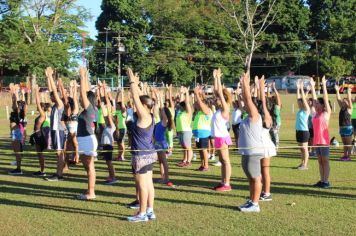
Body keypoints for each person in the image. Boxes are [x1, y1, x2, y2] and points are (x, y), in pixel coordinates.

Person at [126, 68, 157, 222]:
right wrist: (138, 85)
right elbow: (139, 98)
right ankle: (150, 210)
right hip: (148, 153)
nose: (135, 105)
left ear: (144, 106)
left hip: (142, 155)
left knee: (142, 185)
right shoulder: (150, 114)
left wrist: (132, 81)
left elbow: (137, 99)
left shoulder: (144, 115)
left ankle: (142, 213)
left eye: (138, 105)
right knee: (149, 184)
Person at [238, 73, 264, 212]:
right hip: (247, 151)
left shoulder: (255, 115)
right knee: (250, 178)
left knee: (256, 178)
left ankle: (255, 204)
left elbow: (247, 98)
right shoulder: (247, 116)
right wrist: (243, 88)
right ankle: (251, 200)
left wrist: (245, 84)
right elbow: (244, 98)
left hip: (253, 151)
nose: (246, 104)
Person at [76, 67, 98, 199]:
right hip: (86, 139)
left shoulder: (89, 107)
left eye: (82, 98)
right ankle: (90, 190)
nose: (79, 99)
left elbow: (84, 93)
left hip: (87, 140)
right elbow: (86, 92)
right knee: (89, 167)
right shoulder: (91, 108)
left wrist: (82, 77)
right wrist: (84, 77)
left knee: (89, 168)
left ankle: (91, 192)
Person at [211, 68, 232, 192]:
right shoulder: (219, 110)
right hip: (217, 138)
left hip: (222, 138)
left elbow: (219, 92)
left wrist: (218, 78)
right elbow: (216, 91)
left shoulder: (225, 109)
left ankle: (227, 184)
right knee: (222, 161)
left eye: (218, 98)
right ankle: (223, 181)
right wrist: (215, 79)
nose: (215, 99)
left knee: (225, 160)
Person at [44, 67, 66, 181]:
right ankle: (58, 173)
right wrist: (48, 77)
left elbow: (53, 89)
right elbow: (50, 89)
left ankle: (59, 175)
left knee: (59, 153)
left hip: (58, 130)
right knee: (58, 153)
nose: (50, 97)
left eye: (52, 96)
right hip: (55, 130)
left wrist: (51, 77)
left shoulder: (59, 103)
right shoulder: (54, 105)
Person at [310, 76, 332, 188]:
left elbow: (325, 98)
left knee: (325, 161)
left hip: (324, 141)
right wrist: (313, 87)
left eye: (319, 103)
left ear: (323, 105)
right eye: (316, 103)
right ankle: (322, 180)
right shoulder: (315, 114)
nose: (316, 104)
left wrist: (323, 85)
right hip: (317, 141)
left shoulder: (326, 113)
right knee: (320, 161)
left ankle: (326, 181)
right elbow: (314, 99)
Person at [258, 76, 276, 201]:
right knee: (260, 170)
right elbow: (260, 101)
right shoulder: (260, 116)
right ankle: (261, 190)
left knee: (265, 171)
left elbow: (263, 102)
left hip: (265, 146)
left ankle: (267, 193)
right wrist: (260, 87)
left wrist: (261, 87)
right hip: (259, 145)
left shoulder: (268, 118)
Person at [152, 88, 173, 186]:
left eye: (162, 112)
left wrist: (159, 97)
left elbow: (161, 109)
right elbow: (158, 110)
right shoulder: (160, 122)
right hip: (157, 143)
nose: (160, 113)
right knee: (160, 162)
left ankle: (167, 178)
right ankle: (162, 177)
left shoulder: (165, 121)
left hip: (161, 143)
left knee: (164, 161)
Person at [29, 87, 50, 176]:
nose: (37, 106)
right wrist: (43, 95)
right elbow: (43, 103)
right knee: (39, 154)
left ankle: (42, 171)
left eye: (39, 106)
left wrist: (36, 92)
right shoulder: (44, 114)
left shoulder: (43, 114)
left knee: (40, 154)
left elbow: (38, 102)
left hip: (39, 135)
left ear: (42, 108)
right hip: (37, 135)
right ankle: (42, 170)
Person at [58, 78, 79, 165]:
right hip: (71, 126)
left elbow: (71, 98)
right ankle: (74, 157)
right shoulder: (73, 109)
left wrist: (62, 86)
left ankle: (76, 157)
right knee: (72, 143)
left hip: (71, 127)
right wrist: (73, 87)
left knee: (72, 143)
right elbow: (73, 97)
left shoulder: (69, 109)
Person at [192, 86, 213, 171]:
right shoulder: (199, 112)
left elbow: (200, 103)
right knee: (200, 150)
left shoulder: (207, 110)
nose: (197, 105)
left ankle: (206, 166)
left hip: (204, 133)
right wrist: (200, 93)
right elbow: (196, 103)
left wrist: (197, 94)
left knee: (204, 150)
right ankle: (202, 164)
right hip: (198, 134)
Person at [101, 82, 118, 184]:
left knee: (109, 162)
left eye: (109, 118)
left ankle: (113, 177)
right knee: (108, 162)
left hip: (109, 146)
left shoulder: (112, 126)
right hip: (106, 146)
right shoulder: (108, 126)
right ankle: (111, 176)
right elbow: (104, 113)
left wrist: (108, 106)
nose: (107, 118)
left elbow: (107, 114)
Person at [8, 84, 24, 175]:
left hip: (16, 132)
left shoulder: (19, 112)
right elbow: (14, 102)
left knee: (17, 152)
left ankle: (18, 169)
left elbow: (16, 102)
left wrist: (15, 92)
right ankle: (18, 168)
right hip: (14, 132)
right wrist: (13, 92)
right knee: (16, 152)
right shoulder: (16, 111)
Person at [176, 87, 193, 168]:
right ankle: (184, 160)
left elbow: (186, 102)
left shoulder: (188, 112)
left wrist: (186, 93)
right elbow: (181, 102)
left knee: (187, 147)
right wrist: (181, 93)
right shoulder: (180, 111)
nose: (180, 106)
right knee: (184, 147)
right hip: (180, 131)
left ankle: (188, 161)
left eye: (182, 106)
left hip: (186, 131)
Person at [334, 84, 353, 161]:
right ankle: (345, 155)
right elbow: (338, 99)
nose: (343, 101)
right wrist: (337, 91)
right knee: (344, 144)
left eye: (345, 101)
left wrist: (348, 92)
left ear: (348, 102)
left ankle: (349, 156)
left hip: (348, 128)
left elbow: (349, 99)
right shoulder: (342, 108)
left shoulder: (349, 109)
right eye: (343, 101)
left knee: (348, 144)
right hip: (341, 128)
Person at [295, 80, 311, 170]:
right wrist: (298, 88)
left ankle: (305, 165)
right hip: (298, 131)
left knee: (305, 149)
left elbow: (303, 99)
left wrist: (302, 88)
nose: (299, 103)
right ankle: (302, 163)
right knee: (301, 149)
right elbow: (299, 98)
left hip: (304, 131)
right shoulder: (300, 110)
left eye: (301, 102)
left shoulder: (306, 110)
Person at [114, 89, 127, 161]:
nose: (117, 106)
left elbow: (122, 104)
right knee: (119, 143)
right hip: (118, 129)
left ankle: (122, 156)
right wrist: (117, 93)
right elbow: (115, 102)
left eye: (119, 105)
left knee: (121, 143)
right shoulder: (117, 111)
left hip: (122, 128)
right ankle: (119, 156)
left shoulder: (123, 112)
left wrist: (121, 94)